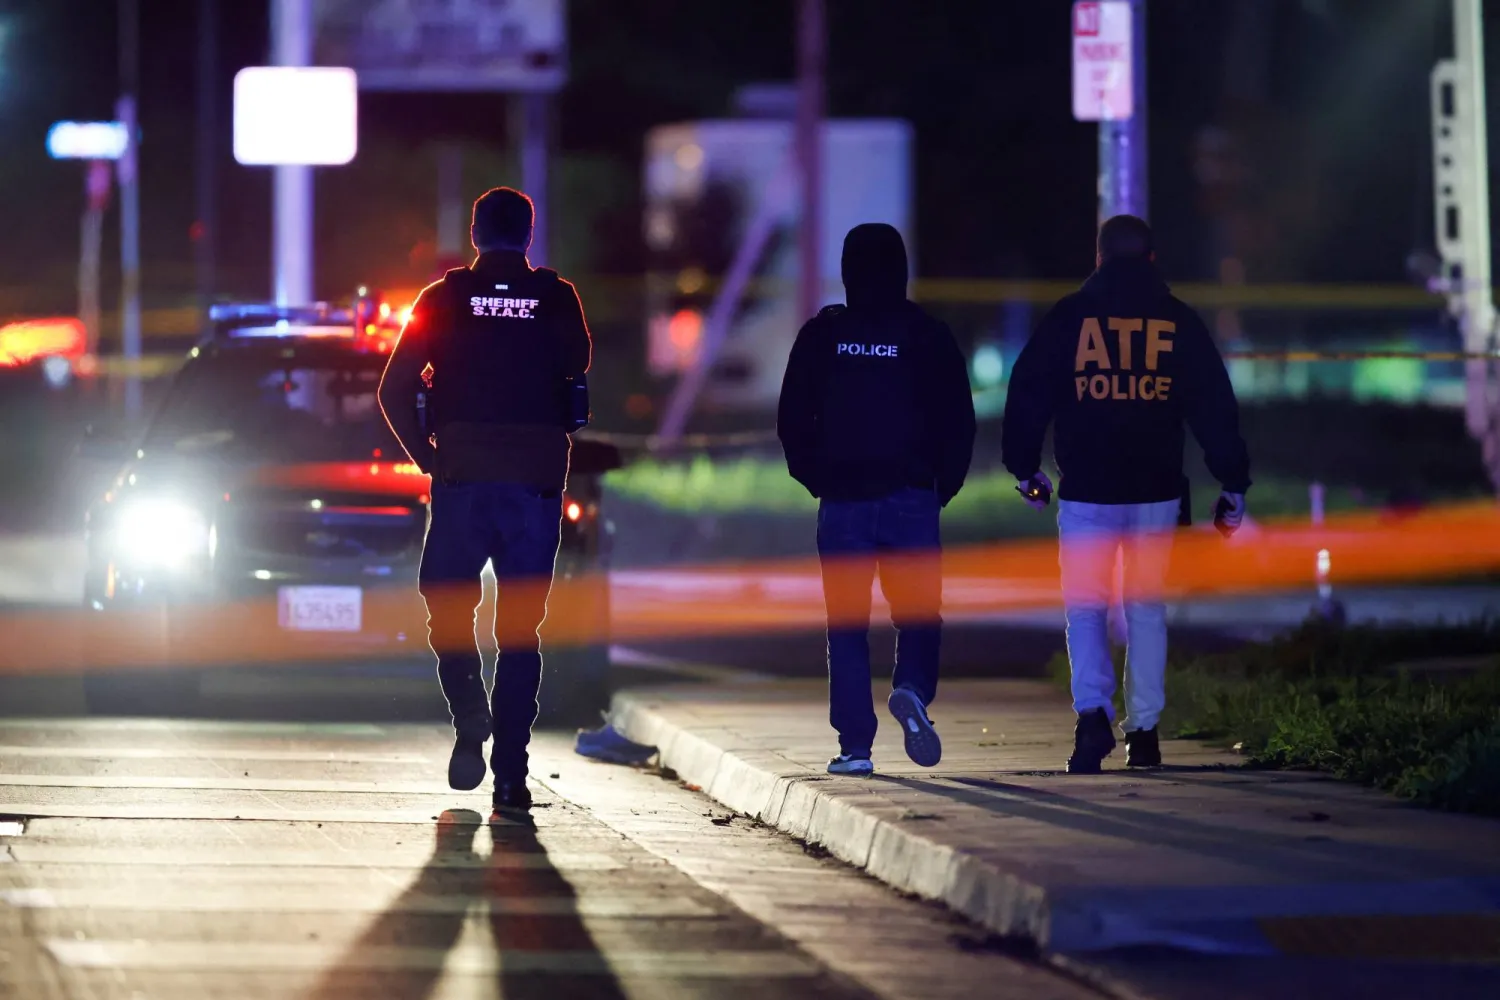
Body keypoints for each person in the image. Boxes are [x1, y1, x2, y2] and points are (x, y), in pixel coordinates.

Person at [1002, 215, 1250, 773]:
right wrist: (1232, 481)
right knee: (1146, 611)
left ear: (1099, 258)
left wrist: (1025, 467)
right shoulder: (1177, 322)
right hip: (1156, 491)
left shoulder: (1071, 318)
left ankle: (1092, 721)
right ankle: (1144, 733)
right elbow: (1213, 405)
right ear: (1152, 260)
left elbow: (1029, 389)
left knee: (1085, 609)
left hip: (1086, 489)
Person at [379, 186, 591, 813]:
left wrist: (429, 458)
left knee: (446, 606)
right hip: (534, 482)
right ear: (528, 234)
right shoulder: (557, 297)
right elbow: (578, 364)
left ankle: (470, 713)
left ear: (475, 233)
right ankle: (511, 776)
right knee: (521, 630)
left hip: (463, 478)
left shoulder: (440, 300)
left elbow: (394, 389)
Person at [778, 223, 976, 777]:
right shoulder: (927, 334)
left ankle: (855, 748)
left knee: (846, 623)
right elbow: (958, 418)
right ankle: (911, 687)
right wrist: (943, 485)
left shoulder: (824, 335)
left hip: (843, 502)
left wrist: (817, 477)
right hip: (912, 497)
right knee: (918, 612)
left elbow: (793, 416)